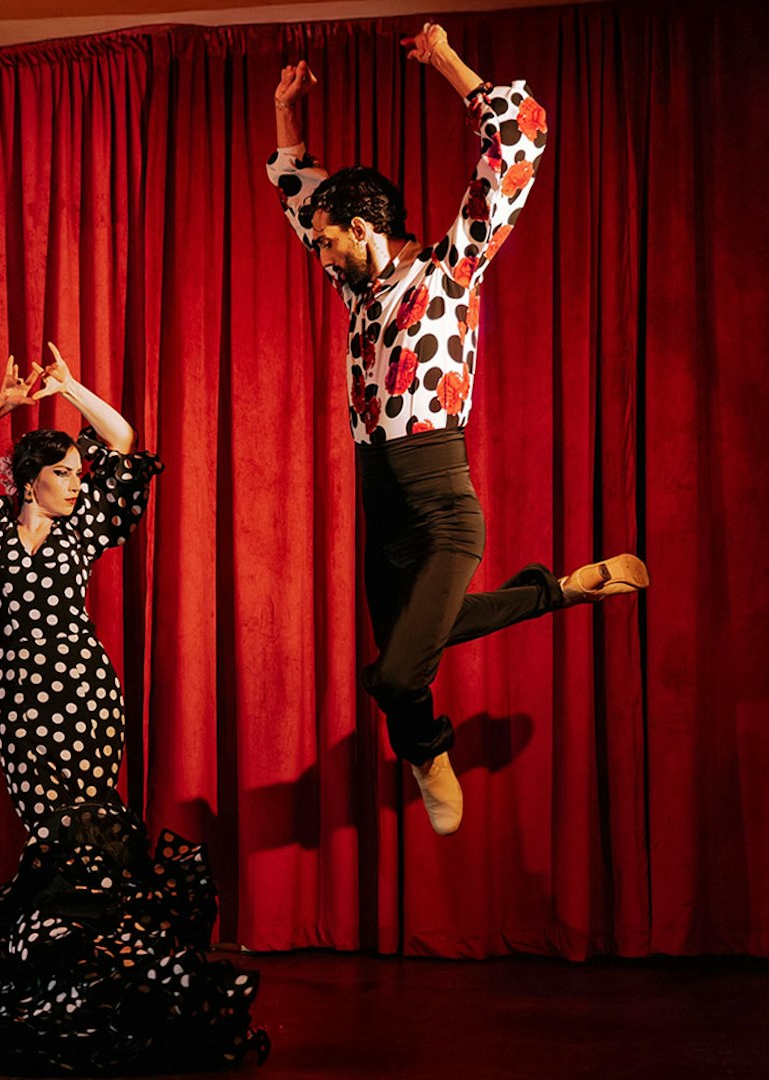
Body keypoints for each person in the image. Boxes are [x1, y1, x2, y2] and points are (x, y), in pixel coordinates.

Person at [265, 24, 648, 835]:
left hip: (441, 504)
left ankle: (428, 750)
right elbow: (303, 201)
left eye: (328, 239)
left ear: (363, 229)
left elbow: (519, 140)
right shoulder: (356, 291)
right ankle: (564, 589)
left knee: (394, 674)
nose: (318, 251)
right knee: (414, 644)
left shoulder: (452, 270)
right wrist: (287, 118)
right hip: (381, 504)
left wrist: (446, 62)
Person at [0, 344, 267, 1073]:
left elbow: (124, 444)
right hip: (21, 700)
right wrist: (3, 406)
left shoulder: (82, 529)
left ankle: (95, 983)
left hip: (84, 693)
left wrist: (71, 391)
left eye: (79, 474)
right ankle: (69, 974)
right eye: (64, 474)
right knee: (51, 835)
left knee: (88, 830)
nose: (78, 484)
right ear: (26, 481)